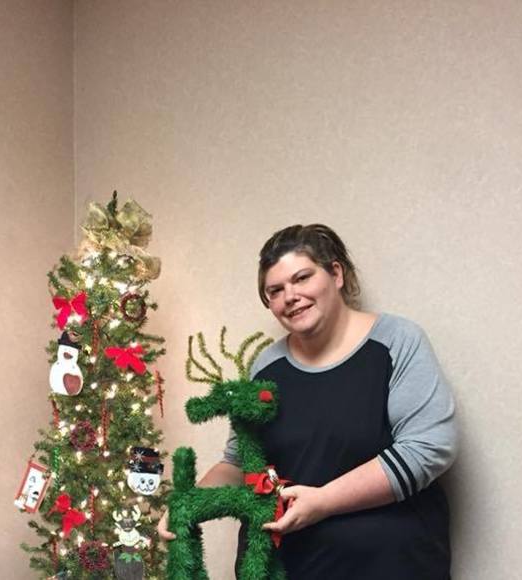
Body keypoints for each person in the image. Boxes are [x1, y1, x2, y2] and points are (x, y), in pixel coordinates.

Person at [159, 224, 458, 579]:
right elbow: (238, 463)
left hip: (391, 564)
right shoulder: (266, 367)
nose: (290, 296)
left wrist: (323, 501)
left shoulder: (396, 341)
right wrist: (188, 504)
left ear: (336, 274)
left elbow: (428, 448)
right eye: (275, 290)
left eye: (302, 278)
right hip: (288, 567)